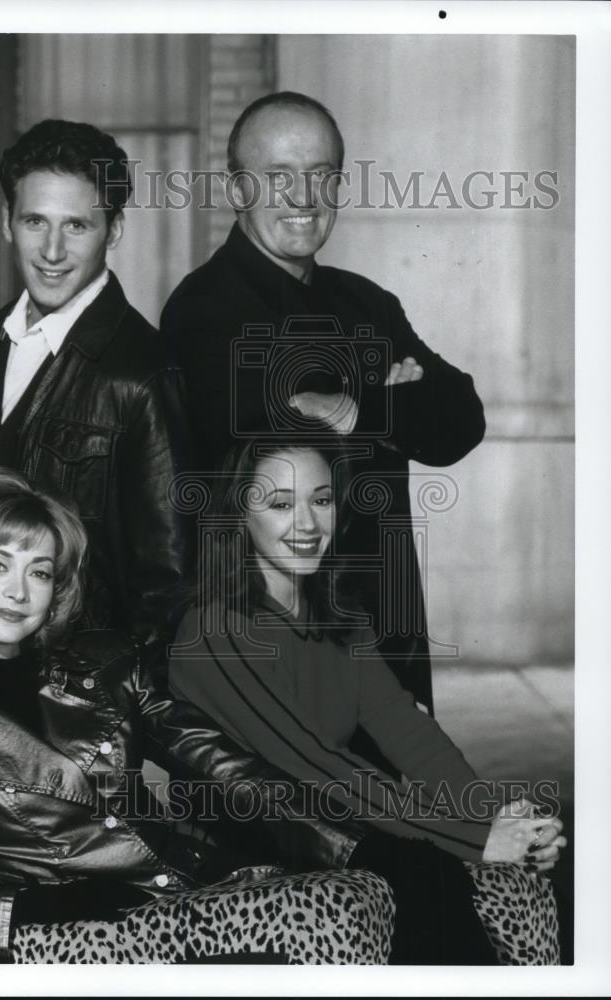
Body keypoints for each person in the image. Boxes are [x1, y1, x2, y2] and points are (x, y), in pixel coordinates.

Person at [0, 467, 413, 965]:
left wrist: (348, 844)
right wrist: (21, 910)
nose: (18, 591)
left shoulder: (110, 664)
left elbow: (225, 768)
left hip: (189, 891)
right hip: (85, 934)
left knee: (368, 886)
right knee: (335, 904)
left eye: (40, 572)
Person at [168, 426, 567, 964]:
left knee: (542, 865)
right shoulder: (214, 629)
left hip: (335, 825)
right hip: (250, 850)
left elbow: (406, 729)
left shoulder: (338, 613)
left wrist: (496, 815)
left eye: (321, 500)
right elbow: (317, 767)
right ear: (238, 514)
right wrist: (478, 838)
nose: (307, 524)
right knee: (426, 873)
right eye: (281, 504)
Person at [161, 91, 486, 724]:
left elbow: (460, 421)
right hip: (267, 656)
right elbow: (275, 425)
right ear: (236, 189)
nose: (303, 196)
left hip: (384, 634)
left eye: (321, 174)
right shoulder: (200, 310)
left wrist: (355, 408)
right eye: (278, 176)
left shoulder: (368, 303)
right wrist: (388, 397)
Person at [0, 119, 190, 647]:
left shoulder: (144, 372)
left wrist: (113, 695)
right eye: (36, 221)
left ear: (115, 230)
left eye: (77, 226)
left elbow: (168, 588)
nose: (52, 250)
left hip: (83, 684)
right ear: (7, 222)